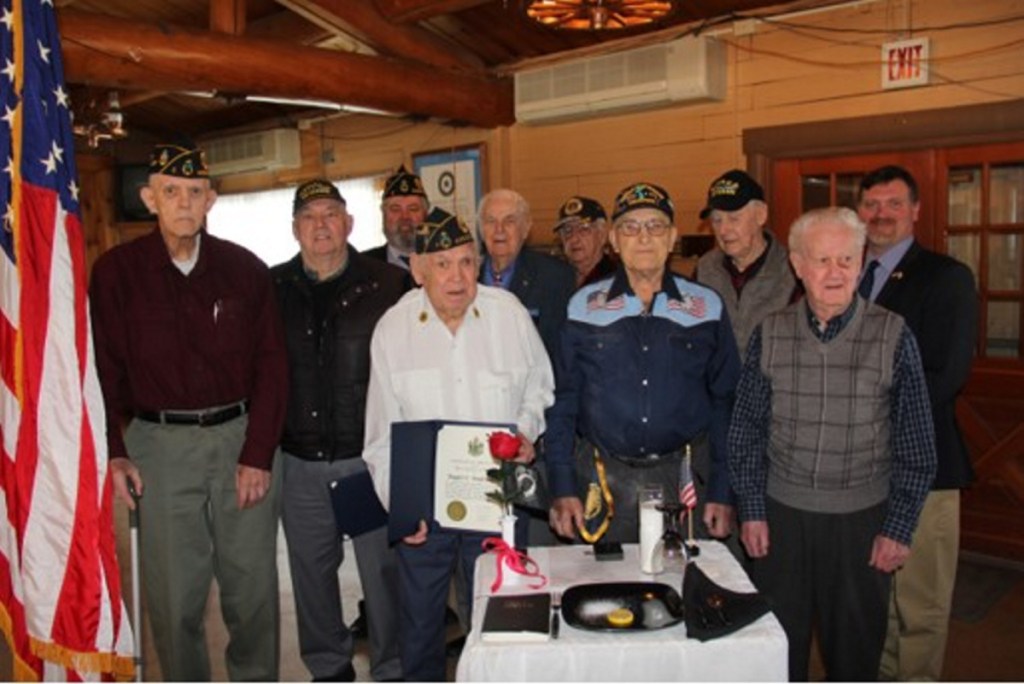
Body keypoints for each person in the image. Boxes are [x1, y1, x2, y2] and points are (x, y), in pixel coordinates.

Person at [90, 141, 288, 681]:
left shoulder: (244, 270)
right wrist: (114, 451)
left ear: (211, 200)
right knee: (174, 599)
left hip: (239, 441)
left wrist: (258, 454)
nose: (183, 202)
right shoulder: (115, 274)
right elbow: (102, 372)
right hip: (159, 446)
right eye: (170, 191)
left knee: (252, 596)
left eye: (194, 192)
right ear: (148, 199)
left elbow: (273, 366)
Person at [728, 206, 937, 681]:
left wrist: (899, 528)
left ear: (861, 264)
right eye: (822, 260)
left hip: (863, 524)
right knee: (777, 653)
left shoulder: (893, 334)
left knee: (855, 657)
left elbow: (918, 446)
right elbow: (745, 432)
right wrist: (753, 510)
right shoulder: (771, 333)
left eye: (847, 260)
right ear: (798, 266)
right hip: (781, 521)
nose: (836, 273)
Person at [363, 206, 554, 681]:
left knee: (500, 622)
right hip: (425, 508)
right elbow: (380, 432)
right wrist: (400, 511)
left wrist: (526, 430)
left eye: (467, 262)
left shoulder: (508, 315)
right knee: (421, 627)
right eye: (442, 264)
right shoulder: (393, 330)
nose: (457, 276)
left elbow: (541, 385)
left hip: (497, 500)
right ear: (418, 270)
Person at [546, 182, 741, 546]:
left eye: (655, 226)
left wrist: (722, 488)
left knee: (684, 593)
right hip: (603, 481)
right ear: (614, 241)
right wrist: (561, 484)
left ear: (672, 238)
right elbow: (562, 400)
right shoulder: (582, 306)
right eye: (631, 228)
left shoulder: (707, 306)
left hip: (683, 482)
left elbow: (725, 402)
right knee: (606, 593)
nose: (644, 237)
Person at [272, 179, 407, 682]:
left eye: (331, 213)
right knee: (310, 575)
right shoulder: (273, 288)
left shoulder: (388, 285)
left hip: (367, 461)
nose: (321, 224)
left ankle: (392, 666)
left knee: (384, 573)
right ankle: (328, 668)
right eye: (309, 216)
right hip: (301, 462)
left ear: (349, 224)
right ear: (295, 229)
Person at [855, 165, 978, 681]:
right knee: (879, 599)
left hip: (924, 470)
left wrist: (863, 418)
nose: (881, 215)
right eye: (872, 205)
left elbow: (944, 375)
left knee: (919, 608)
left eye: (894, 204)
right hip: (864, 473)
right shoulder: (846, 274)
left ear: (916, 211)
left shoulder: (945, 277)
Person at [696, 169, 800, 354]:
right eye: (716, 220)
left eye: (734, 218)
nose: (723, 230)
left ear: (761, 215)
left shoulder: (793, 270)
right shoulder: (705, 269)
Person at [477, 188, 575, 360]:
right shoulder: (465, 277)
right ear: (481, 230)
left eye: (509, 221)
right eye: (491, 221)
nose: (499, 230)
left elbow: (561, 353)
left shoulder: (554, 277)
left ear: (525, 229)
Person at [363, 165, 429, 270]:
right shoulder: (363, 265)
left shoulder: (444, 260)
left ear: (426, 215)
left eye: (413, 209)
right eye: (395, 209)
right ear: (383, 214)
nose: (405, 217)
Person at [554, 195, 617, 288]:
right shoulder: (555, 278)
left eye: (584, 229)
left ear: (602, 234)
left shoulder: (616, 279)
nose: (574, 239)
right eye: (567, 230)